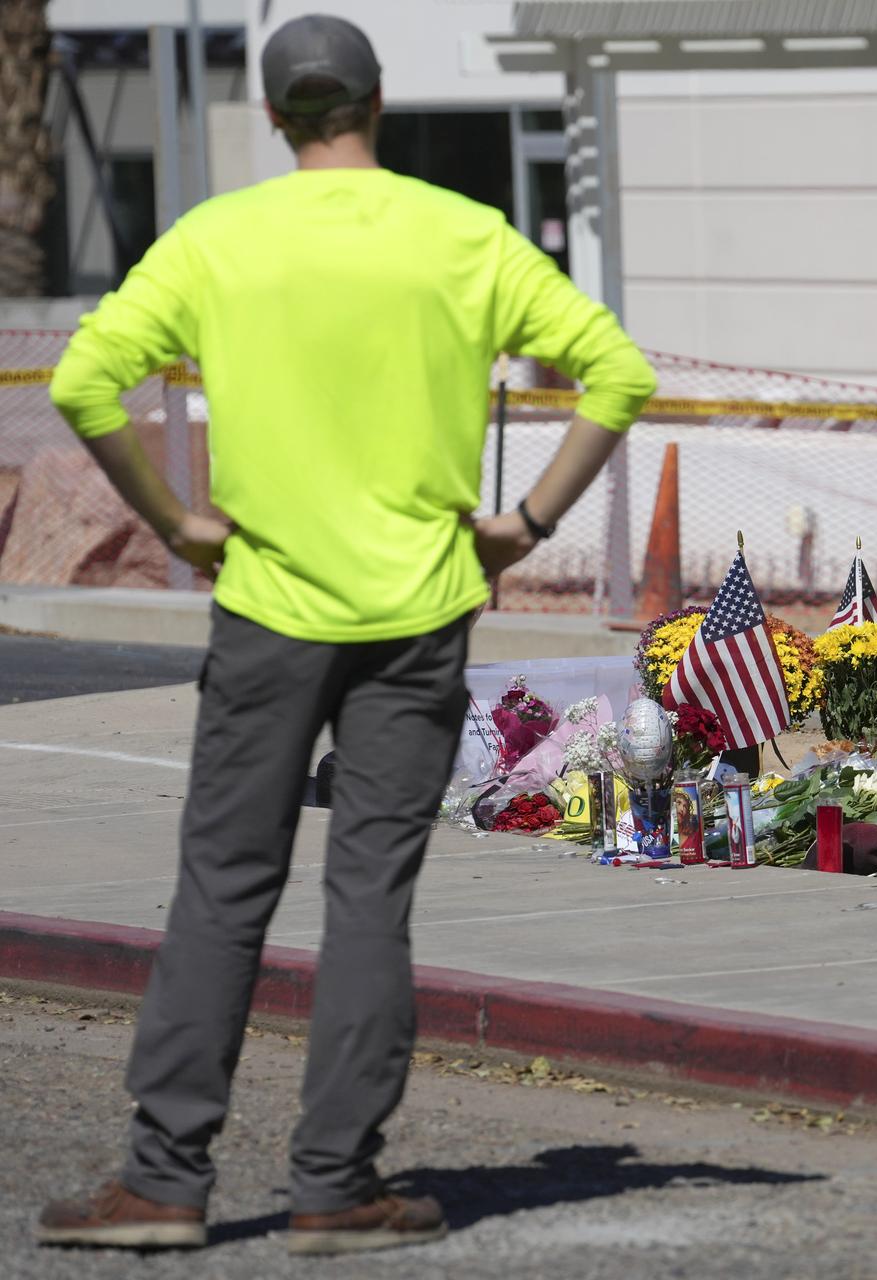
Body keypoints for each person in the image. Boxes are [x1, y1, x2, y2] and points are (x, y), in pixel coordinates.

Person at [35, 14, 656, 1256]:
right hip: (420, 614)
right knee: (370, 894)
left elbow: (83, 381)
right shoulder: (463, 236)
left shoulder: (217, 238)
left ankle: (165, 1180)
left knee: (223, 884)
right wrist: (525, 524)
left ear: (275, 117)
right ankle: (335, 1182)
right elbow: (618, 374)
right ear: (376, 102)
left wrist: (178, 518)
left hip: (268, 609)